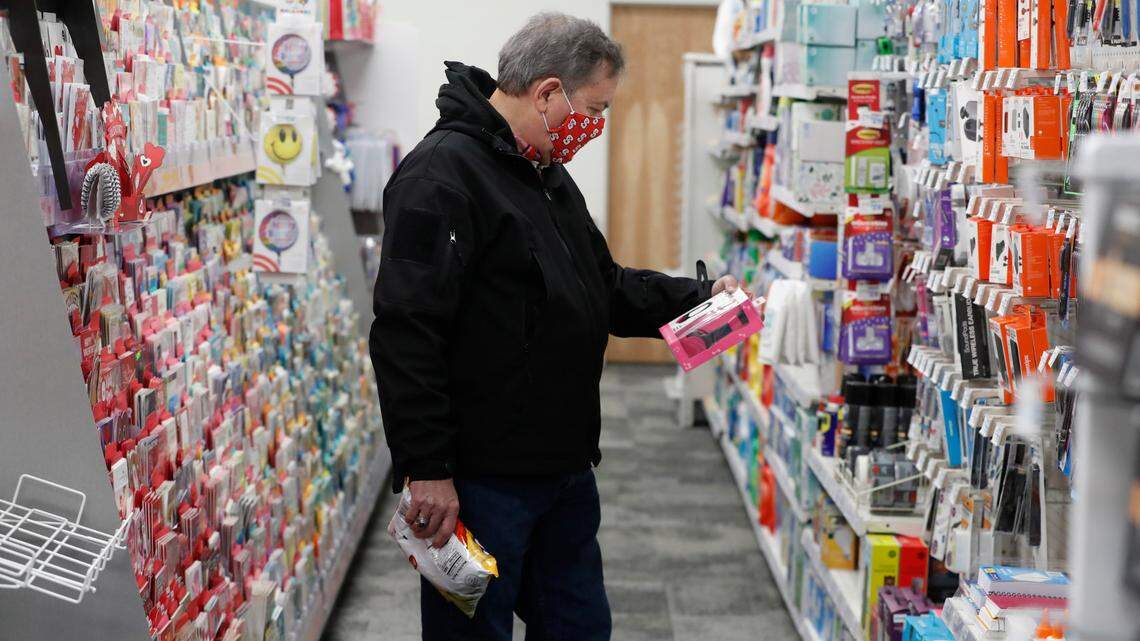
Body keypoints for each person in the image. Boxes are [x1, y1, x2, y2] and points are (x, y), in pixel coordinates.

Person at [369, 12, 739, 640]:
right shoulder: (440, 177)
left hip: (562, 470)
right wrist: (426, 466)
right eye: (594, 108)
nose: (596, 126)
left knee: (579, 626)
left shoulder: (543, 172)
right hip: (482, 482)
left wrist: (704, 302)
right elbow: (408, 332)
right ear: (547, 94)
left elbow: (602, 284)